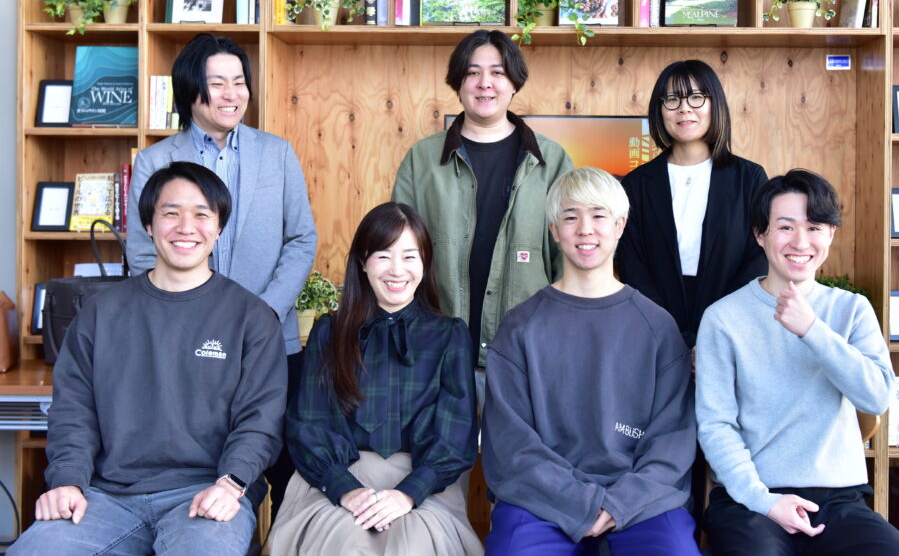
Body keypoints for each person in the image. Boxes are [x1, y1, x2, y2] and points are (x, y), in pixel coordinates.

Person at [10, 162, 287, 556]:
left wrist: (233, 482)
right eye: (171, 213)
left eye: (202, 214)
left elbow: (261, 421)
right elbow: (72, 411)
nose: (186, 227)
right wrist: (67, 481)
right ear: (148, 225)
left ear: (219, 227)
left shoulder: (251, 318)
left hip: (208, 492)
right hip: (105, 496)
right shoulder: (100, 313)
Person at [126, 33, 317, 515]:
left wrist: (264, 312)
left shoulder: (277, 153)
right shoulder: (155, 161)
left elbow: (301, 239)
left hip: (271, 340)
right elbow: (142, 255)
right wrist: (199, 318)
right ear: (190, 89)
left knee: (287, 471)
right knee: (205, 473)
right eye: (217, 83)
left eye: (239, 82)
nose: (232, 94)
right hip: (184, 343)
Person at [482, 167, 700, 555]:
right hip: (542, 499)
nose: (585, 229)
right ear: (554, 230)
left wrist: (620, 504)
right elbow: (511, 443)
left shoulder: (657, 327)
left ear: (619, 225)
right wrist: (579, 502)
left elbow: (673, 439)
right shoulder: (520, 327)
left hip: (641, 501)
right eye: (571, 217)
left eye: (599, 215)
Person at [696, 169, 899, 556]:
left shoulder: (851, 309)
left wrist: (812, 329)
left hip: (839, 500)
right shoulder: (723, 318)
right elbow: (716, 425)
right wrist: (764, 501)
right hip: (752, 500)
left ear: (830, 234)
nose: (800, 241)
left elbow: (877, 397)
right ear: (760, 234)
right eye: (785, 227)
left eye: (814, 227)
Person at [268, 202, 482, 555]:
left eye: (410, 257)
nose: (397, 270)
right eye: (383, 255)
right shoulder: (329, 332)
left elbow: (455, 439)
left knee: (413, 545)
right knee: (344, 543)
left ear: (425, 263)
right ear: (363, 262)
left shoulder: (449, 336)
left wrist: (407, 494)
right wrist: (346, 489)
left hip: (424, 483)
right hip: (335, 477)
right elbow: (309, 425)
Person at [392, 29, 573, 373]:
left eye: (497, 72)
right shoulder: (421, 159)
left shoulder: (552, 161)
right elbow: (398, 252)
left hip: (526, 356)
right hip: (435, 354)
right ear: (458, 83)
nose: (484, 83)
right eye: (472, 72)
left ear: (514, 83)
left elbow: (567, 260)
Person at [617, 59, 767, 349]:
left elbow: (759, 256)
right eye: (672, 99)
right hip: (656, 330)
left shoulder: (749, 177)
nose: (684, 108)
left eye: (696, 97)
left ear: (715, 104)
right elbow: (631, 262)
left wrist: (717, 329)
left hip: (732, 328)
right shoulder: (637, 184)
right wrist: (670, 332)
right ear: (660, 110)